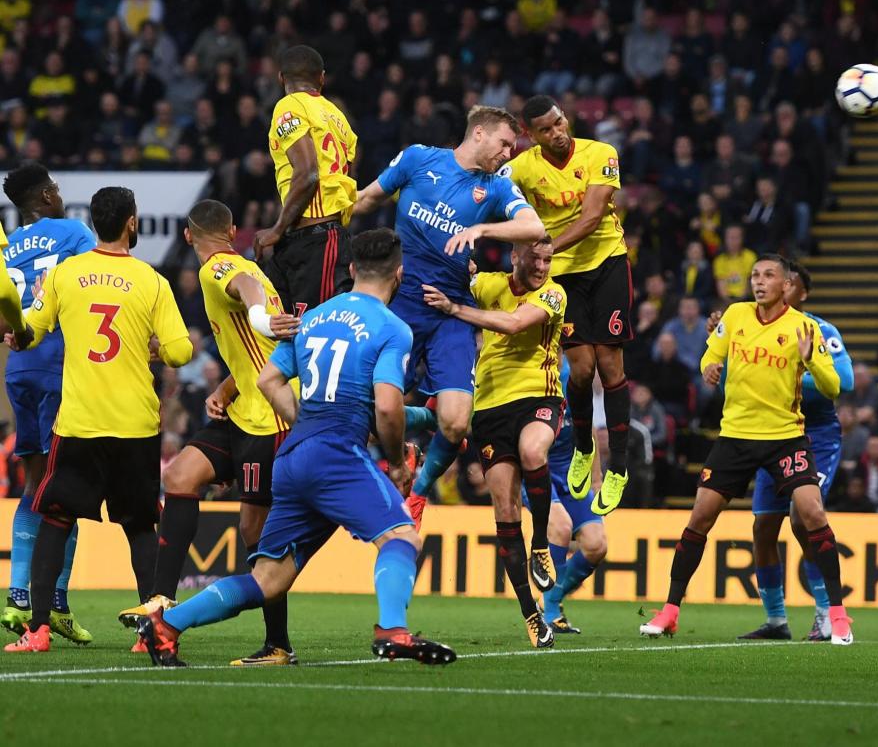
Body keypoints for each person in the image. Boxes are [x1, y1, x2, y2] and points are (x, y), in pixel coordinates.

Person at [139, 229, 456, 667]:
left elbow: (268, 380)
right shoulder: (392, 328)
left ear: (351, 270)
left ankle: (164, 625)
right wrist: (399, 463)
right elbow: (386, 407)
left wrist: (302, 419)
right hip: (336, 454)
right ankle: (391, 631)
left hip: (292, 455)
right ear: (399, 274)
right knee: (402, 536)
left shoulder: (315, 318)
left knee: (268, 579)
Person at [5, 186, 192, 653]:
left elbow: (32, 329)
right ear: (132, 223)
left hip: (80, 424)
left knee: (55, 519)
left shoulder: (68, 274)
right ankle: (151, 632)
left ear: (92, 224)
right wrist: (155, 347)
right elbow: (181, 351)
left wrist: (15, 334)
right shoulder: (152, 281)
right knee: (141, 528)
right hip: (134, 425)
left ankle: (39, 631)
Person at [116, 199, 302, 666]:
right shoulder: (249, 265)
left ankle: (278, 644)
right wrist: (225, 387)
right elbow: (255, 347)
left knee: (254, 531)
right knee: (180, 477)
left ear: (187, 236)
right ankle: (160, 604)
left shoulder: (218, 267)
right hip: (243, 410)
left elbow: (246, 297)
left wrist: (260, 316)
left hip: (271, 419)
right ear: (234, 229)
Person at [639, 255, 853, 645]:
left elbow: (835, 386)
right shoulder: (735, 315)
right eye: (755, 275)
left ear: (786, 285)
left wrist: (810, 361)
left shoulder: (806, 328)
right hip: (735, 437)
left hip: (785, 437)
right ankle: (669, 611)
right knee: (700, 518)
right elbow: (711, 352)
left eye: (768, 275)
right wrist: (708, 367)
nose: (759, 281)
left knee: (811, 513)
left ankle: (837, 616)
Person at [353, 105, 544, 528]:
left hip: (450, 308)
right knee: (367, 414)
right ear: (479, 134)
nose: (509, 154)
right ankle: (404, 448)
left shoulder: (495, 188)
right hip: (400, 303)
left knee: (457, 423)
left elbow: (534, 228)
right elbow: (366, 199)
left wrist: (482, 230)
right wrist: (320, 222)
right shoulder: (419, 159)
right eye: (504, 143)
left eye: (514, 148)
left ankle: (418, 495)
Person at [422, 236, 564, 648]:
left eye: (548, 259)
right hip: (489, 407)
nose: (542, 266)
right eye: (535, 258)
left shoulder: (554, 293)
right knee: (503, 508)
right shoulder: (487, 285)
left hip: (540, 395)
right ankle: (530, 614)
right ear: (514, 257)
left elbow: (516, 323)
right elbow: (457, 277)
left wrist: (455, 309)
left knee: (533, 450)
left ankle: (540, 544)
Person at [502, 95, 632, 516]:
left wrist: (543, 249)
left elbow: (593, 216)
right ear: (531, 135)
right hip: (564, 277)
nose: (558, 133)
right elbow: (490, 190)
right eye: (547, 129)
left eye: (560, 123)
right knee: (581, 370)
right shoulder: (521, 169)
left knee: (610, 365)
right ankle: (582, 445)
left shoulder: (601, 153)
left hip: (607, 263)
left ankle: (619, 468)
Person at [0, 163, 97, 644]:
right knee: (69, 485)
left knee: (36, 480)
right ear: (43, 197)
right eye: (54, 188)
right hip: (61, 366)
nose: (59, 193)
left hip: (19, 369)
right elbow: (88, 283)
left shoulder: (9, 244)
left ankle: (18, 596)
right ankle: (55, 600)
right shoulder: (73, 232)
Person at [739, 260, 854, 643]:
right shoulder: (753, 327)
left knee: (803, 518)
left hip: (815, 436)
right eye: (773, 281)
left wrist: (790, 375)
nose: (778, 288)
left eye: (788, 284)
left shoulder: (820, 330)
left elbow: (845, 381)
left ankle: (825, 613)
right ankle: (776, 620)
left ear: (800, 292)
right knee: (763, 526)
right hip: (770, 433)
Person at [254, 45, 358, 316]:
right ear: (321, 78)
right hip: (318, 237)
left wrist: (277, 228)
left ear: (281, 78)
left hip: (316, 240)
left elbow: (308, 172)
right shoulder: (339, 117)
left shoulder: (288, 105)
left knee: (313, 333)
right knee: (289, 334)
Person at [528, 356, 609, 635]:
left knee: (596, 545)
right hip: (537, 467)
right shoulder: (531, 373)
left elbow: (590, 431)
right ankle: (550, 613)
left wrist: (596, 478)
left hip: (571, 471)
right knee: (560, 527)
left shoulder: (574, 375)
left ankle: (550, 599)